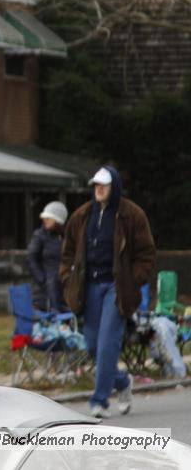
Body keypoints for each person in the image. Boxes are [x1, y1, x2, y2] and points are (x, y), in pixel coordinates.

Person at [60, 165, 156, 418]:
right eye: (95, 185)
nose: (98, 189)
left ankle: (99, 400)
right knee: (91, 344)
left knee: (107, 343)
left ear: (114, 187)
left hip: (117, 286)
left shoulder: (132, 215)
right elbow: (68, 249)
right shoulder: (82, 215)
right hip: (88, 286)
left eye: (104, 185)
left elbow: (146, 255)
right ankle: (122, 382)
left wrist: (132, 281)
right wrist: (67, 276)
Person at [27, 201, 69, 312]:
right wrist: (43, 280)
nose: (44, 220)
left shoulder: (68, 237)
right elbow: (31, 259)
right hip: (43, 291)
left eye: (48, 218)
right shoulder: (39, 235)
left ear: (58, 220)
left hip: (64, 289)